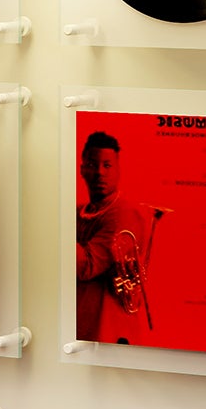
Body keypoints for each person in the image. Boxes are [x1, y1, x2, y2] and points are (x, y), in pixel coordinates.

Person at [75, 131, 151, 342]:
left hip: (108, 329)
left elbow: (87, 266)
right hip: (82, 322)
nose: (100, 172)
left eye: (107, 166)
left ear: (118, 170)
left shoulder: (124, 213)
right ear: (82, 169)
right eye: (92, 165)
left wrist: (58, 228)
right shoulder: (80, 210)